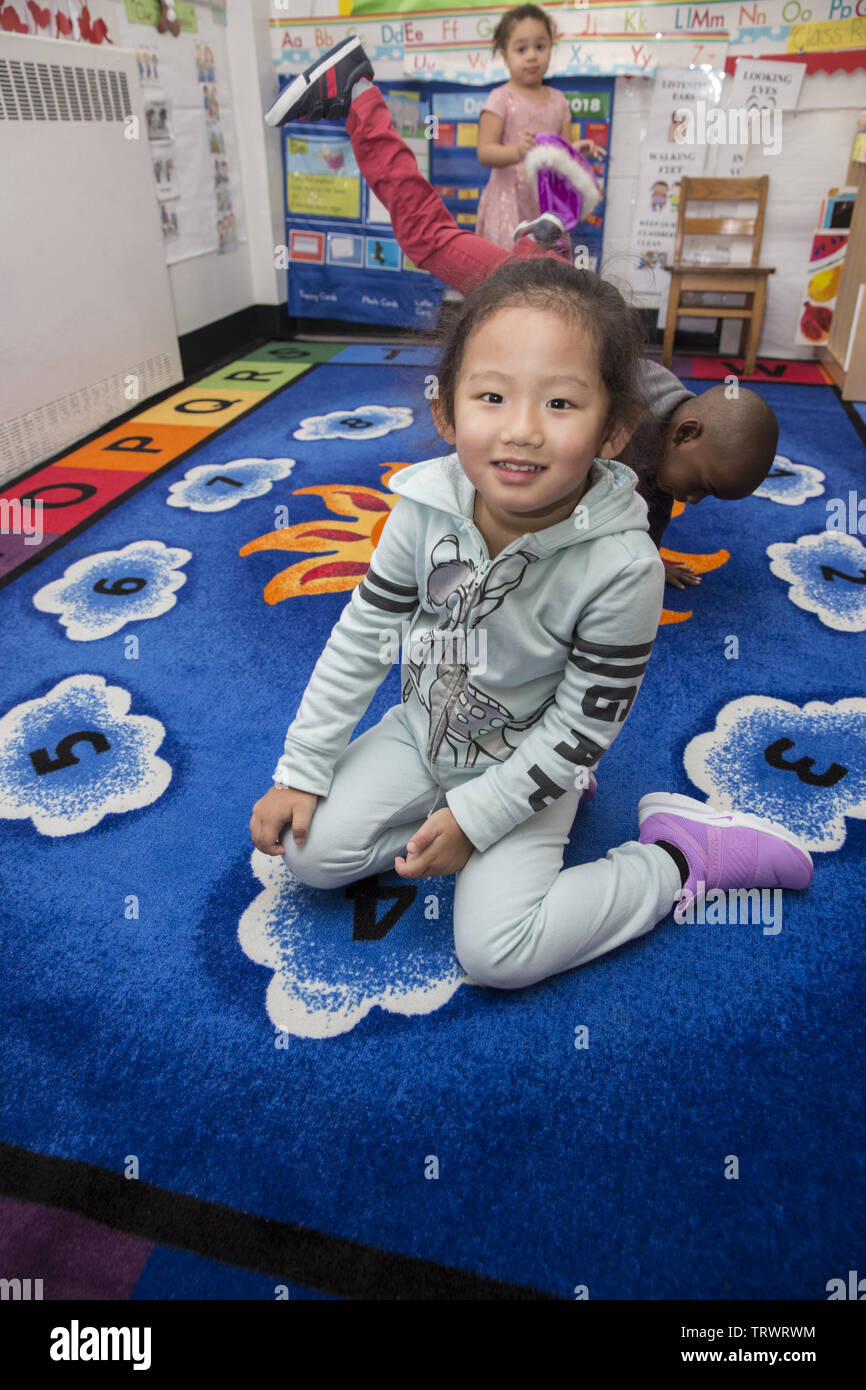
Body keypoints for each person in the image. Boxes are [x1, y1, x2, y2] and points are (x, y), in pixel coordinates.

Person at [248, 258, 813, 991]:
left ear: (614, 432)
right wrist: (302, 767)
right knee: (309, 855)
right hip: (424, 732)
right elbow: (363, 636)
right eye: (491, 395)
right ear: (446, 412)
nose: (521, 432)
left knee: (496, 955)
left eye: (560, 404)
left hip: (534, 763)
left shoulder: (624, 568)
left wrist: (482, 817)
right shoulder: (420, 507)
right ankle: (451, 804)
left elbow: (583, 728)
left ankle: (679, 857)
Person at [264, 37, 780, 592]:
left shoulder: (666, 434)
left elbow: (650, 508)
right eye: (701, 484)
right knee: (424, 234)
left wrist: (648, 570)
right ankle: (358, 91)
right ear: (688, 431)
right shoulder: (628, 392)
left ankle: (544, 241)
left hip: (565, 300)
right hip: (527, 290)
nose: (694, 499)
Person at [473, 5, 603, 249]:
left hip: (548, 204)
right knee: (507, 273)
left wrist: (576, 150)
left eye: (540, 46)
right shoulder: (500, 98)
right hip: (507, 205)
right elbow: (485, 152)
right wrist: (518, 152)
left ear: (551, 49)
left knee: (544, 277)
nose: (532, 56)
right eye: (521, 49)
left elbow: (560, 152)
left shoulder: (559, 101)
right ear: (504, 56)